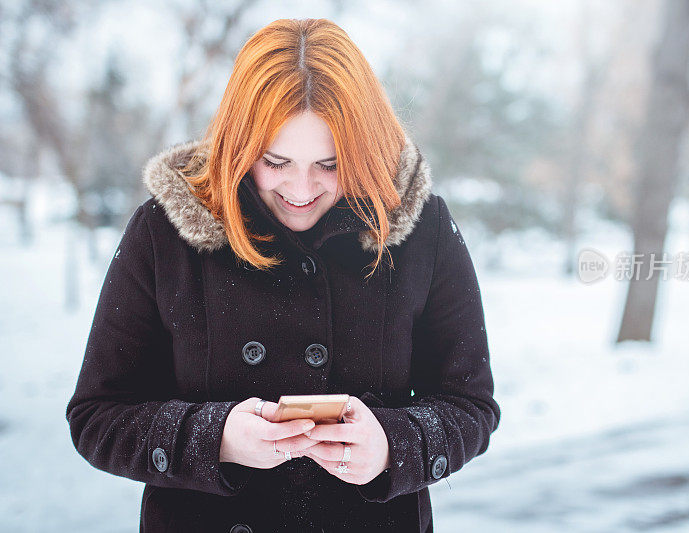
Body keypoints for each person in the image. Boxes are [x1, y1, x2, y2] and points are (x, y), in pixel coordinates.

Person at [66, 17, 500, 533]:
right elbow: (97, 416)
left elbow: (470, 404)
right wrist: (216, 438)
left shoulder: (419, 230)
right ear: (239, 145)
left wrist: (392, 446)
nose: (301, 188)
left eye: (331, 164)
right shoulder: (165, 233)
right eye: (275, 161)